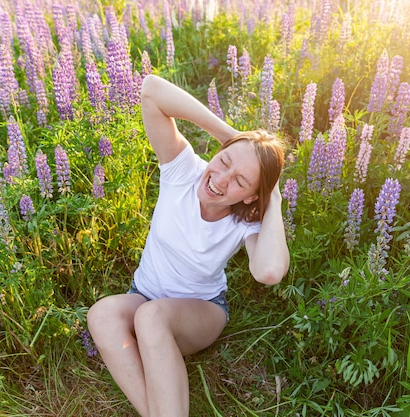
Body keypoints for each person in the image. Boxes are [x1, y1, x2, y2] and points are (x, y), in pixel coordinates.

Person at [87, 74, 290, 417]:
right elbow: (151, 90)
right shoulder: (183, 169)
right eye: (224, 162)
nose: (220, 180)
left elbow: (268, 271)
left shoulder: (246, 222)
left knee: (150, 318)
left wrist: (275, 200)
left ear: (253, 195)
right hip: (144, 293)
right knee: (102, 314)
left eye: (240, 181)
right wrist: (231, 137)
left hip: (199, 310)